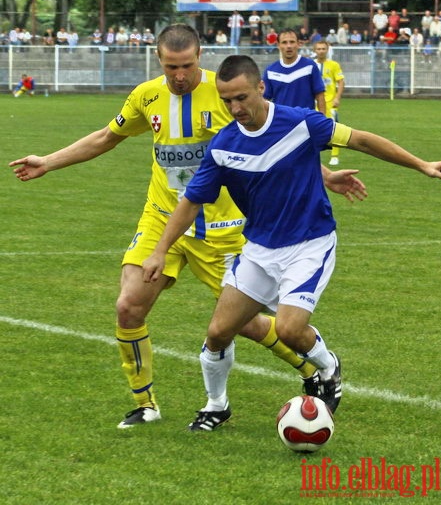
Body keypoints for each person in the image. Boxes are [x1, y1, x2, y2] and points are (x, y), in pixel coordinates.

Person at [9, 24, 366, 429]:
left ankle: (310, 369)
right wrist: (49, 161)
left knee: (243, 325)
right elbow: (108, 137)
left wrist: (323, 175)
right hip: (163, 218)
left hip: (221, 227)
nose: (179, 75)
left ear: (200, 57)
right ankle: (146, 404)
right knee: (128, 305)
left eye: (187, 65)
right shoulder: (146, 96)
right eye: (170, 66)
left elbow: (273, 143)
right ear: (158, 60)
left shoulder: (226, 92)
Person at [142, 55, 441, 432]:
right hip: (258, 250)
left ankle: (327, 367)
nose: (235, 108)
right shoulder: (223, 145)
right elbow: (191, 201)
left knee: (290, 330)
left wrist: (423, 164)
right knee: (218, 332)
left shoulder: (301, 123)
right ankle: (216, 405)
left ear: (261, 88)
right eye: (227, 101)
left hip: (309, 244)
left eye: (241, 97)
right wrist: (160, 250)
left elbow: (363, 140)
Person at [262, 28, 325, 114]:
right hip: (281, 123)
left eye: (292, 42)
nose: (289, 46)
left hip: (306, 122)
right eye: (284, 42)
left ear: (298, 44)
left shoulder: (310, 66)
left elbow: (320, 95)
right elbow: (264, 100)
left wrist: (323, 122)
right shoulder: (270, 71)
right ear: (278, 45)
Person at [314, 40, 345, 165]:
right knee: (312, 129)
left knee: (333, 129)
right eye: (318, 49)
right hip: (314, 103)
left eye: (323, 49)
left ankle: (335, 155)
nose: (321, 51)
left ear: (327, 50)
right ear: (314, 51)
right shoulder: (311, 65)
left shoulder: (333, 65)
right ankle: (314, 155)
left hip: (330, 103)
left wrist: (337, 97)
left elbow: (341, 81)